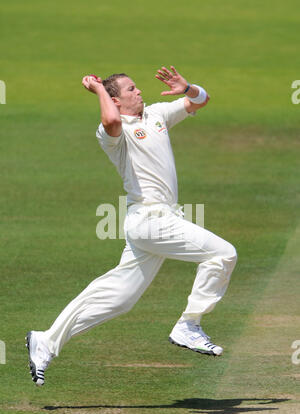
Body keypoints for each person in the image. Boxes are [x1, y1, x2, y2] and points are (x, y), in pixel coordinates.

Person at [26, 66, 237, 386]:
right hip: (151, 220)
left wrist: (187, 88)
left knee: (119, 298)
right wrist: (98, 90)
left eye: (137, 88)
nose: (139, 92)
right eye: (130, 90)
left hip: (158, 222)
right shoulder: (112, 132)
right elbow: (110, 120)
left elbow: (201, 101)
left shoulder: (157, 115)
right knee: (222, 254)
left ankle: (46, 341)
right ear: (115, 100)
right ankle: (188, 324)